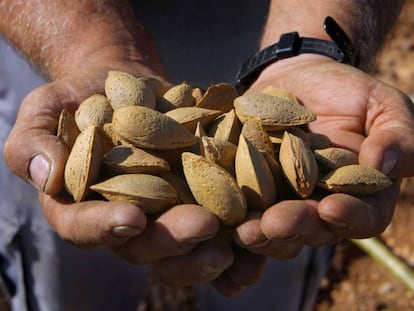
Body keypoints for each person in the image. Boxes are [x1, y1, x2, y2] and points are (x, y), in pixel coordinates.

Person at [1, 0, 413, 310]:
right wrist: (89, 51)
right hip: (61, 28)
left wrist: (309, 46)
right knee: (74, 282)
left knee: (271, 254)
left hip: (259, 16)